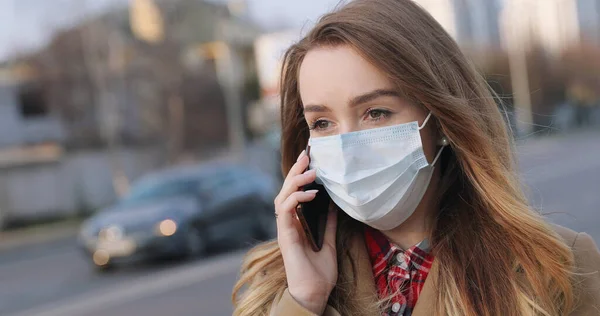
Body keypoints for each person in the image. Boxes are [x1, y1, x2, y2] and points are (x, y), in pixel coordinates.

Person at [232, 1, 600, 315]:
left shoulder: (557, 267)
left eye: (376, 112)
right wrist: (305, 301)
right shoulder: (276, 287)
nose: (346, 144)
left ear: (439, 119)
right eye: (322, 122)